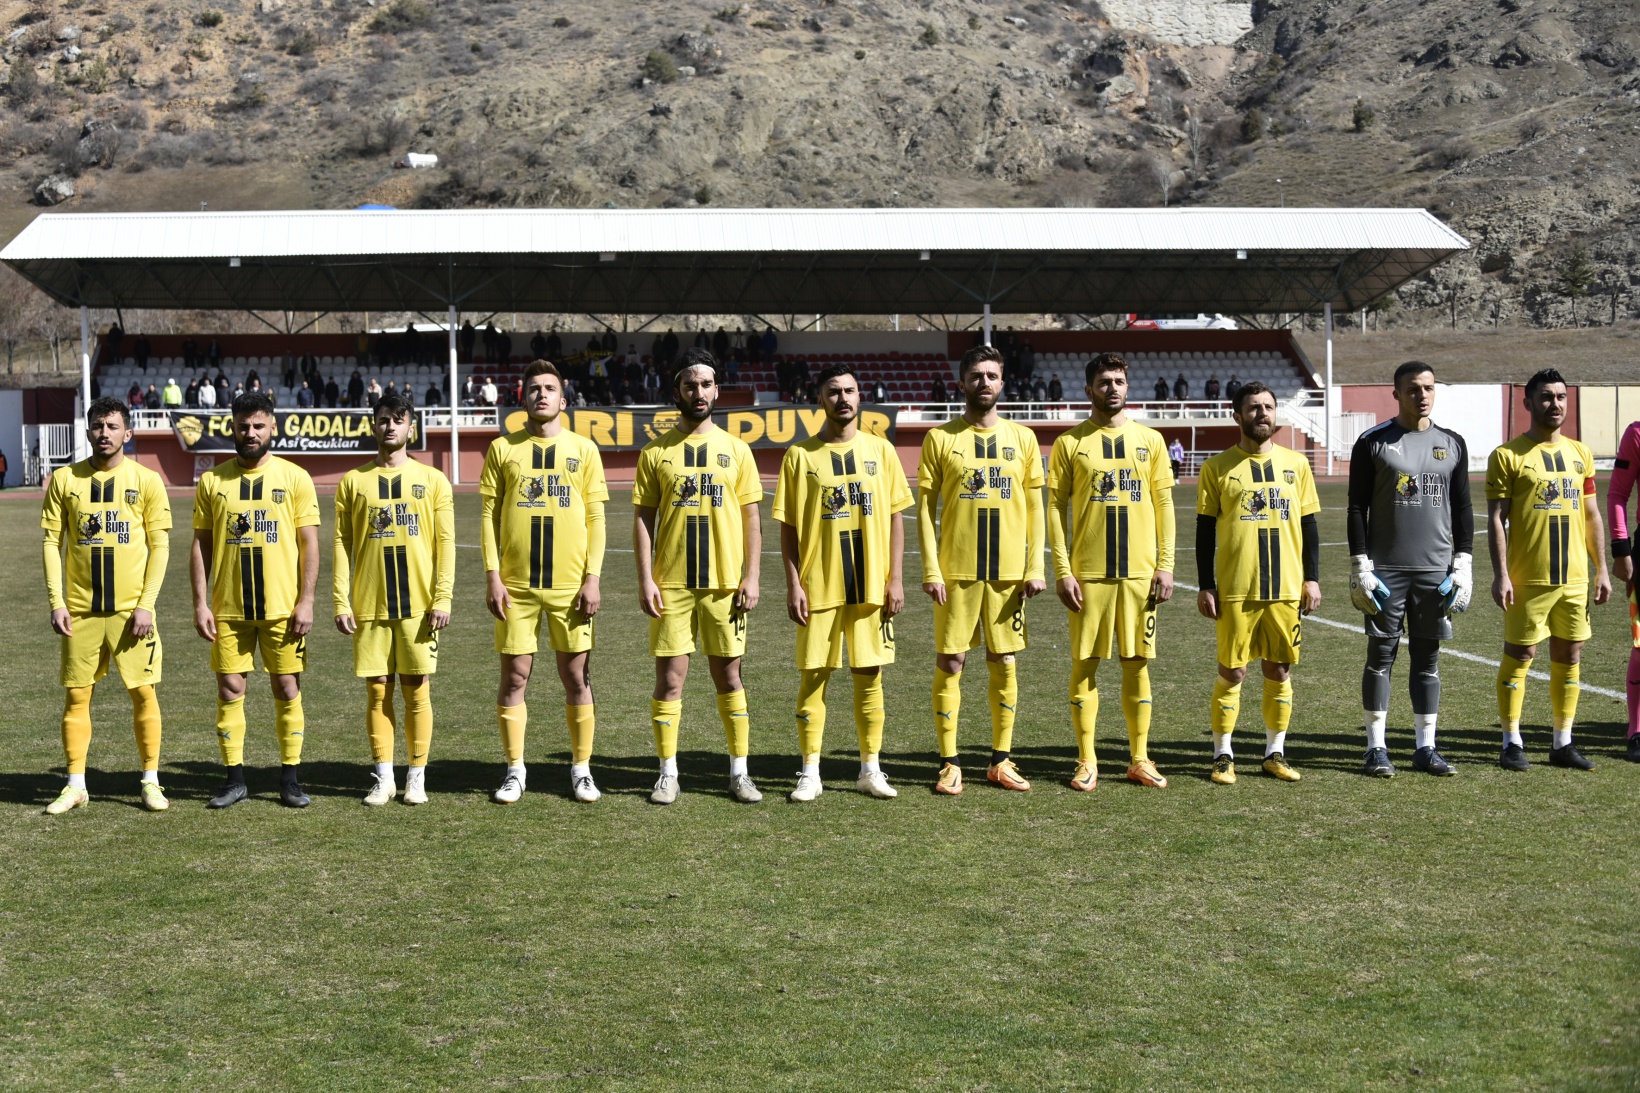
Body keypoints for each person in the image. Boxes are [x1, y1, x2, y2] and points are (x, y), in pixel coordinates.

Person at [773, 364, 913, 802]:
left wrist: (896, 579)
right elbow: (789, 527)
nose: (843, 398)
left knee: (869, 675)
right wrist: (794, 584)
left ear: (860, 397)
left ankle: (870, 769)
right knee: (815, 676)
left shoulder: (882, 451)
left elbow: (895, 517)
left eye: (850, 390)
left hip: (871, 586)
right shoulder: (799, 456)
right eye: (833, 392)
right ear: (820, 400)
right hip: (819, 586)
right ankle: (810, 771)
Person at [632, 349, 766, 805]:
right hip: (671, 585)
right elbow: (643, 519)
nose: (699, 393)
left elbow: (752, 519)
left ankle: (740, 773)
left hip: (726, 585)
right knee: (670, 681)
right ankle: (667, 773)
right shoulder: (655, 452)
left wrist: (752, 576)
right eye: (690, 385)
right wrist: (646, 578)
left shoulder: (737, 450)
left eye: (706, 384)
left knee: (729, 678)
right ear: (677, 392)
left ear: (716, 390)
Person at [918, 345, 1046, 796]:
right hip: (957, 574)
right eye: (976, 376)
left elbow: (1036, 509)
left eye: (992, 375)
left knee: (1004, 661)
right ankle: (949, 762)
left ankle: (1000, 760)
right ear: (961, 383)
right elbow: (924, 511)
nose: (984, 383)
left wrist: (1035, 564)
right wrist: (932, 571)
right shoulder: (940, 439)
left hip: (1009, 574)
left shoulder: (1023, 439)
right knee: (952, 660)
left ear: (1003, 383)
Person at [481, 360, 609, 804]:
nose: (541, 395)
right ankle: (515, 769)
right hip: (516, 587)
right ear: (523, 397)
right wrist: (493, 576)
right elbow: (488, 517)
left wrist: (592, 579)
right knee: (515, 675)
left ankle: (581, 769)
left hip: (570, 586)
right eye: (534, 388)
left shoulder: (584, 450)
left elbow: (596, 517)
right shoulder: (503, 449)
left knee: (576, 675)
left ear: (563, 397)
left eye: (549, 388)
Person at [1047, 352, 1176, 791]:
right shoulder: (1070, 443)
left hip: (1139, 575)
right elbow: (1054, 509)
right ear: (1089, 390)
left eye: (1119, 381)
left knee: (1136, 663)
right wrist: (1063, 570)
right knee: (1085, 665)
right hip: (1089, 575)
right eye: (1104, 382)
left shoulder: (1151, 441)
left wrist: (1166, 565)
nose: (1113, 388)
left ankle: (1139, 758)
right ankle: (1087, 759)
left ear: (1127, 386)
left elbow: (1164, 506)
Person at [39, 399, 172, 814]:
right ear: (88, 431)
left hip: (131, 612)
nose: (104, 433)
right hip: (79, 612)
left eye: (113, 426)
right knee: (77, 697)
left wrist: (147, 605)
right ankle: (76, 783)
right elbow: (50, 543)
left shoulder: (147, 480)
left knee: (144, 694)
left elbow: (160, 545)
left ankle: (150, 780)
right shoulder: (64, 479)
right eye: (98, 426)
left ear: (127, 433)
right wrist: (56, 601)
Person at [190, 391, 321, 809]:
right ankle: (234, 780)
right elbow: (200, 546)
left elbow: (310, 545)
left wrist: (308, 601)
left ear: (273, 428)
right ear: (233, 427)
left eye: (258, 425)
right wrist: (199, 602)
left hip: (283, 608)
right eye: (243, 425)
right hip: (229, 609)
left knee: (287, 688)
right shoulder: (213, 481)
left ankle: (290, 778)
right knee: (230, 689)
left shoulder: (295, 477)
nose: (251, 433)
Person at [1346, 361, 1473, 778]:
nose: (1422, 395)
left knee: (1428, 658)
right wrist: (1361, 564)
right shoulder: (1372, 442)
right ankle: (1376, 748)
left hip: (1435, 571)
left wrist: (1464, 562)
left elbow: (1463, 508)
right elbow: (1355, 508)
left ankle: (1425, 747)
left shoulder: (1452, 443)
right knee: (1381, 655)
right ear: (1396, 393)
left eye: (1429, 387)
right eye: (1413, 388)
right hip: (1386, 573)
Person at [1196, 382, 1322, 785]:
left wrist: (1312, 578)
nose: (1262, 414)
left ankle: (1274, 752)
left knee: (1279, 670)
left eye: (1268, 407)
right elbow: (1203, 531)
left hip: (1285, 588)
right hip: (1237, 589)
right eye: (1253, 408)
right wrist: (1206, 584)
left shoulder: (1297, 465)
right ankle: (1223, 755)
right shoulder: (1217, 467)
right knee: (1233, 673)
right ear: (1238, 415)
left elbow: (1309, 525)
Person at [333, 392, 455, 806]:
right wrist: (340, 600)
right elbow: (341, 544)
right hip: (370, 603)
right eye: (383, 419)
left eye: (398, 420)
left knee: (417, 689)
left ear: (411, 428)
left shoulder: (433, 479)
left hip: (419, 606)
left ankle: (416, 777)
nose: (390, 426)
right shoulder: (353, 481)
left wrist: (444, 598)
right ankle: (384, 776)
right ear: (374, 425)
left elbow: (446, 543)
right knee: (377, 692)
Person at [1487, 369, 1611, 771]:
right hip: (1529, 579)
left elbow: (1592, 516)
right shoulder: (1507, 456)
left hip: (1574, 579)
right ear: (1528, 403)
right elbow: (1496, 519)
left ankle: (1562, 742)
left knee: (1569, 656)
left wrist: (1602, 569)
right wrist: (1501, 573)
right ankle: (1511, 741)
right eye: (1545, 397)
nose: (1554, 404)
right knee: (1521, 655)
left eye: (1560, 397)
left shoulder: (1581, 453)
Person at [1607, 418, 1640, 762]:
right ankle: (1636, 731)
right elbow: (1617, 494)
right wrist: (1621, 548)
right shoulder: (1637, 432)